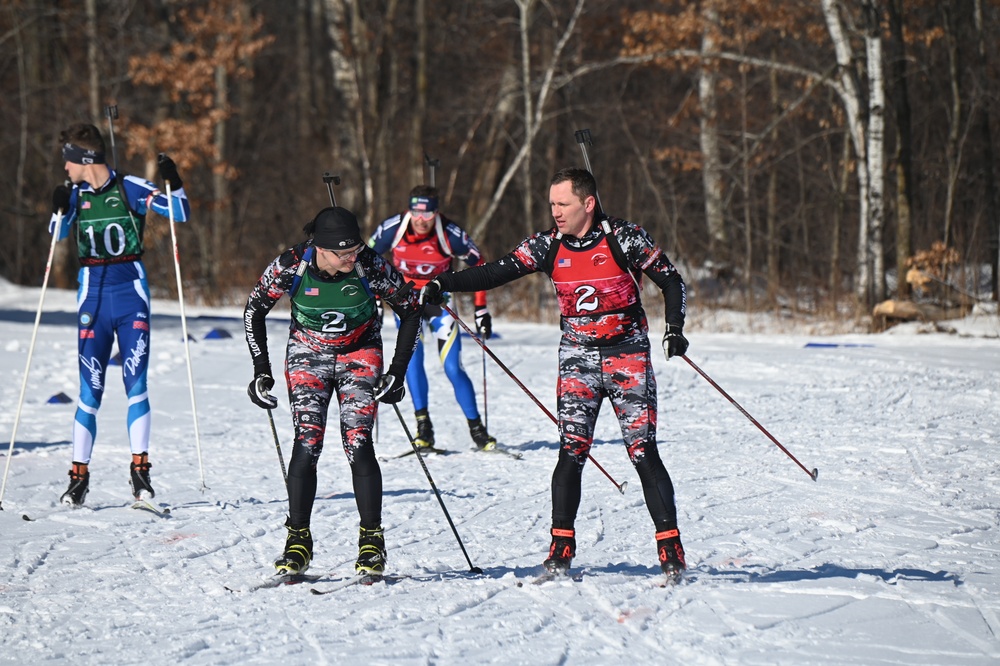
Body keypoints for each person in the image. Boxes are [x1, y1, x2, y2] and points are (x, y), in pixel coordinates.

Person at [420, 168, 689, 582]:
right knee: (572, 450)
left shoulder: (624, 237)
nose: (555, 212)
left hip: (627, 356)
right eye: (551, 204)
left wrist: (674, 329)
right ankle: (561, 546)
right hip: (577, 358)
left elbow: (671, 281)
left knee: (642, 451)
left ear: (588, 203)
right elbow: (495, 271)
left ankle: (670, 547)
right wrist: (443, 283)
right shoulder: (547, 245)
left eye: (562, 204)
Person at [244, 206, 421, 577]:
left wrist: (398, 372)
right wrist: (262, 370)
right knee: (307, 442)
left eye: (354, 250)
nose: (351, 258)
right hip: (308, 353)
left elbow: (410, 308)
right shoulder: (291, 265)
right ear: (320, 249)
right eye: (343, 253)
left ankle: (372, 540)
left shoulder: (369, 265)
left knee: (358, 441)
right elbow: (253, 310)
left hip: (360, 351)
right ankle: (297, 541)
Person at [49, 122, 190, 508]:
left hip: (130, 298)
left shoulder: (129, 187)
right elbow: (57, 235)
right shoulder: (76, 194)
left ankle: (140, 475)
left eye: (68, 162)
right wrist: (60, 206)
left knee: (136, 384)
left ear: (84, 159)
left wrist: (172, 181)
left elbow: (180, 212)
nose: (65, 169)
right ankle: (78, 478)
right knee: (89, 392)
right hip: (92, 300)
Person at [368, 184, 497, 452]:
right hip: (406, 304)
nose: (421, 220)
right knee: (412, 364)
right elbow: (366, 260)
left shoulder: (450, 233)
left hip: (440, 304)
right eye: (416, 213)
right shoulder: (393, 228)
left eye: (428, 215)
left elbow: (480, 265)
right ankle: (423, 428)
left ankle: (477, 429)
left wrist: (481, 308)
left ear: (436, 213)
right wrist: (375, 301)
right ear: (409, 210)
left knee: (452, 368)